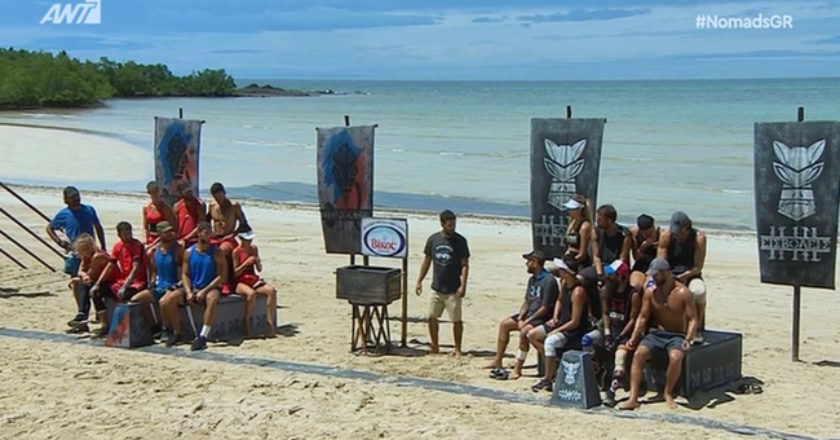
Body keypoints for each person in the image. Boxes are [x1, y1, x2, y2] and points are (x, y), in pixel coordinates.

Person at [620, 258, 699, 410]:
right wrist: (634, 337)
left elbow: (693, 319)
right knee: (639, 354)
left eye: (656, 275)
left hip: (676, 335)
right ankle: (633, 398)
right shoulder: (651, 292)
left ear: (666, 273)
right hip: (656, 333)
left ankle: (668, 393)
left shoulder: (683, 293)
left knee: (675, 357)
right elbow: (643, 317)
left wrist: (689, 338)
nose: (653, 278)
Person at [486, 250, 558, 380]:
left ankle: (518, 368)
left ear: (535, 263)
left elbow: (545, 308)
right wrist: (520, 317)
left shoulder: (549, 281)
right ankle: (498, 359)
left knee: (525, 332)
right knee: (505, 324)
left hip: (541, 317)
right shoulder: (532, 279)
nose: (526, 264)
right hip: (530, 313)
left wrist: (528, 320)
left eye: (529, 261)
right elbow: (527, 301)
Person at [160, 222, 225, 351]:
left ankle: (203, 336)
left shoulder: (217, 252)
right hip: (193, 286)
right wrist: (189, 291)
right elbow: (185, 274)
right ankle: (177, 332)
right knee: (169, 299)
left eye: (210, 232)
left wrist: (204, 291)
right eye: (205, 232)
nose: (208, 235)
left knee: (212, 299)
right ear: (199, 234)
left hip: (209, 286)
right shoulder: (189, 252)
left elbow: (221, 276)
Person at [530, 257, 590, 392]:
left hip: (573, 330)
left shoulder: (578, 292)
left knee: (550, 342)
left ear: (568, 273)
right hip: (561, 322)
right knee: (532, 335)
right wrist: (555, 316)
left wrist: (556, 331)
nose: (559, 271)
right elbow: (559, 300)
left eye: (562, 269)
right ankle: (553, 363)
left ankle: (548, 378)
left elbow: (575, 322)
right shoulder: (564, 283)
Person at [415, 209, 470, 357]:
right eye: (450, 225)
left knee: (456, 320)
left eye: (454, 224)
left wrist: (463, 285)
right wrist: (419, 281)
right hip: (437, 287)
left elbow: (465, 264)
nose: (452, 227)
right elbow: (427, 261)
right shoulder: (433, 240)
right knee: (431, 317)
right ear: (442, 224)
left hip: (453, 289)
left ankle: (457, 348)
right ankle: (435, 346)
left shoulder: (460, 241)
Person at [657, 211, 707, 343]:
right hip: (669, 273)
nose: (677, 235)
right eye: (675, 233)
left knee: (699, 291)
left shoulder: (698, 238)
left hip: (690, 274)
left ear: (687, 227)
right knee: (651, 288)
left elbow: (698, 267)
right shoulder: (666, 236)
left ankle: (697, 327)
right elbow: (661, 262)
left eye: (680, 232)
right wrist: (669, 278)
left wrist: (683, 276)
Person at [598, 260, 642, 407]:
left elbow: (633, 319)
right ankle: (596, 378)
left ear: (620, 277)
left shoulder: (633, 295)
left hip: (625, 332)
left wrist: (619, 337)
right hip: (609, 328)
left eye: (611, 275)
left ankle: (612, 391)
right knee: (588, 340)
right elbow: (605, 313)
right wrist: (607, 333)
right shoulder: (607, 291)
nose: (608, 277)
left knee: (620, 355)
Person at [47, 186, 106, 277]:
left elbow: (98, 227)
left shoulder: (88, 209)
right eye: (72, 198)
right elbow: (49, 228)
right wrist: (59, 242)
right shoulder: (64, 214)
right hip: (74, 251)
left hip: (90, 250)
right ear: (66, 200)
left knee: (91, 275)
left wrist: (103, 246)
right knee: (75, 276)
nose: (76, 199)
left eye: (77, 196)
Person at [66, 234, 119, 337]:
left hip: (110, 280)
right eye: (82, 250)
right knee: (79, 284)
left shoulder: (98, 256)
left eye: (86, 249)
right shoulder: (86, 256)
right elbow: (80, 271)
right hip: (97, 280)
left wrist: (82, 276)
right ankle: (82, 315)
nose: (84, 252)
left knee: (92, 291)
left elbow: (92, 274)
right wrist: (83, 275)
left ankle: (102, 323)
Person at [143, 221, 186, 346]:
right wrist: (152, 282)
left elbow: (185, 271)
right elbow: (154, 271)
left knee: (163, 302)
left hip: (175, 285)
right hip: (160, 285)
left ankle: (168, 329)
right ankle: (154, 326)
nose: (170, 234)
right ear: (160, 234)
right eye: (166, 232)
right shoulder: (154, 251)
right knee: (137, 299)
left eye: (170, 232)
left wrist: (177, 285)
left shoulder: (178, 250)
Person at [232, 229, 277, 337]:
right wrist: (245, 264)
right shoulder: (236, 252)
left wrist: (257, 261)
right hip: (240, 281)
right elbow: (235, 273)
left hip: (252, 279)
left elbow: (259, 269)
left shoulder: (254, 249)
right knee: (251, 294)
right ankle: (246, 322)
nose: (249, 242)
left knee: (271, 291)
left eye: (250, 239)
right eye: (247, 240)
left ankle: (270, 324)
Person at [207, 182, 248, 294]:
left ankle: (224, 282)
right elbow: (206, 221)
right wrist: (210, 233)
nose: (218, 199)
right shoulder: (212, 206)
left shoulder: (234, 206)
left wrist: (234, 234)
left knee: (222, 251)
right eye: (216, 197)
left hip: (228, 237)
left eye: (220, 196)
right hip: (215, 237)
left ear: (224, 193)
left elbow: (244, 223)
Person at [592, 204, 631, 277]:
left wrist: (609, 271)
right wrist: (599, 274)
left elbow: (623, 258)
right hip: (600, 265)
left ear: (609, 220)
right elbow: (596, 257)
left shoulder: (624, 234)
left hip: (617, 267)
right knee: (580, 278)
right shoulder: (596, 231)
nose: (597, 221)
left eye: (600, 219)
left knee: (610, 279)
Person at [142, 181, 176, 251]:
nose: (155, 193)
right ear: (149, 192)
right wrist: (145, 239)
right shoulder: (146, 208)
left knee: (150, 252)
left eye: (157, 190)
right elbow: (145, 227)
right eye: (152, 191)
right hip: (151, 237)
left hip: (163, 238)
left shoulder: (165, 208)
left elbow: (171, 227)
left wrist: (153, 244)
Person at [629, 214, 660, 291]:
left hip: (656, 267)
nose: (648, 235)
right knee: (635, 287)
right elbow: (636, 257)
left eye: (650, 232)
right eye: (645, 233)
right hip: (641, 265)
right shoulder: (635, 234)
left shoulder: (661, 234)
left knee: (650, 288)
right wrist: (643, 247)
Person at [563, 194, 594, 269]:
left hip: (580, 262)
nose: (570, 211)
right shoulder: (572, 223)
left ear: (579, 210)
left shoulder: (585, 226)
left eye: (572, 209)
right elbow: (569, 245)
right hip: (569, 257)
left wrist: (571, 262)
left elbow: (582, 254)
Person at [173, 182, 206, 247]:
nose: (189, 194)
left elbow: (200, 226)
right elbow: (175, 226)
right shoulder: (177, 206)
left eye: (189, 192)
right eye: (186, 193)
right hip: (180, 239)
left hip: (195, 239)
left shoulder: (199, 205)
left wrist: (186, 239)